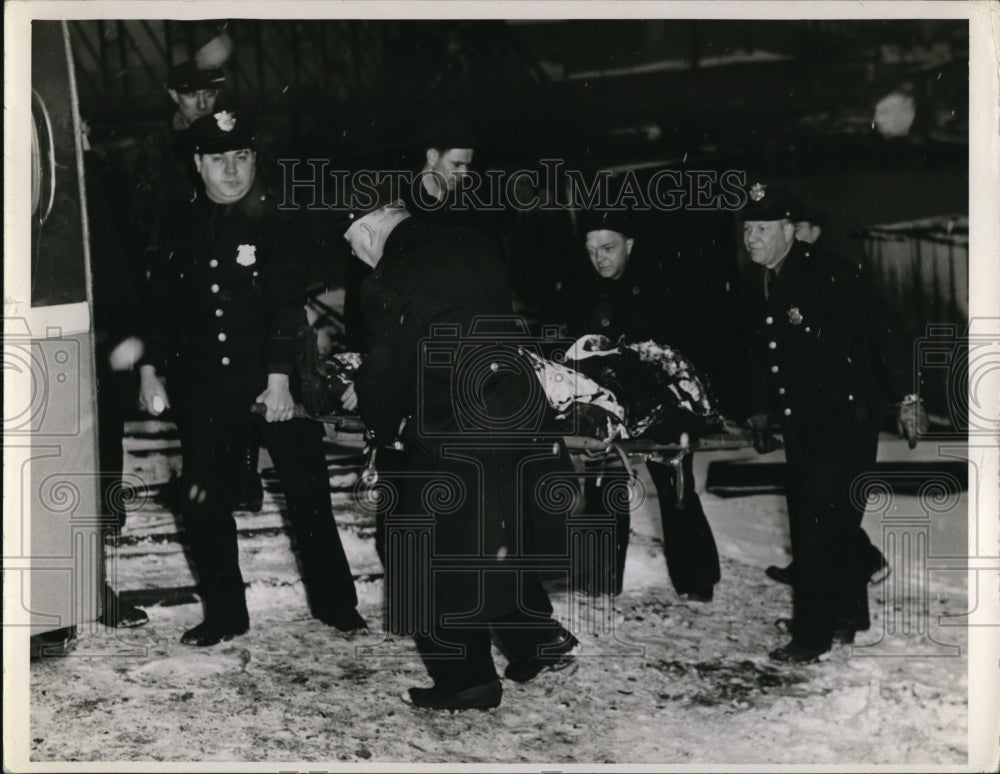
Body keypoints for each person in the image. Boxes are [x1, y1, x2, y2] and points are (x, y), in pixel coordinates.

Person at [340, 183, 578, 711]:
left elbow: (389, 371)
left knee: (420, 551)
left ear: (372, 227)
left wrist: (374, 417)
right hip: (516, 412)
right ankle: (532, 642)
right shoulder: (471, 240)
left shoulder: (388, 278)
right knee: (497, 541)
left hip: (453, 428)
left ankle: (465, 679)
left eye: (353, 242)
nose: (356, 255)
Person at [138, 110, 367, 646]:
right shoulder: (175, 221)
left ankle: (338, 606)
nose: (232, 169)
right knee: (202, 500)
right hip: (205, 387)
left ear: (255, 159)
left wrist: (281, 379)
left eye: (242, 156)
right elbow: (158, 305)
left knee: (307, 492)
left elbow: (286, 304)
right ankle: (225, 614)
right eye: (219, 158)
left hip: (274, 380)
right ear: (198, 163)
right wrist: (150, 370)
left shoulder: (274, 219)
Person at [738, 181, 928, 664]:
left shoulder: (829, 273)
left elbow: (885, 330)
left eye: (761, 229)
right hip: (803, 424)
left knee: (817, 525)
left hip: (846, 419)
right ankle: (846, 616)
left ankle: (811, 635)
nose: (751, 239)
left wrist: (907, 396)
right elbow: (764, 351)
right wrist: (762, 408)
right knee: (833, 521)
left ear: (789, 231)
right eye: (747, 230)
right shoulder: (760, 278)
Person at [559, 210, 721, 602]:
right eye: (592, 250)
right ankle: (600, 580)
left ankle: (697, 580)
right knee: (603, 485)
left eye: (608, 248)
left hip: (665, 408)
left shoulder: (661, 286)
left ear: (629, 244)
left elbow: (681, 355)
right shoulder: (583, 291)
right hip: (610, 407)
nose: (600, 258)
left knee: (677, 490)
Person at [764, 193, 890, 589]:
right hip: (810, 417)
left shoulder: (835, 274)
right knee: (811, 502)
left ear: (813, 233)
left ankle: (859, 570)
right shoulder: (781, 278)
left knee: (827, 506)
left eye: (796, 231)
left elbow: (871, 340)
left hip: (845, 413)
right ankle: (819, 576)